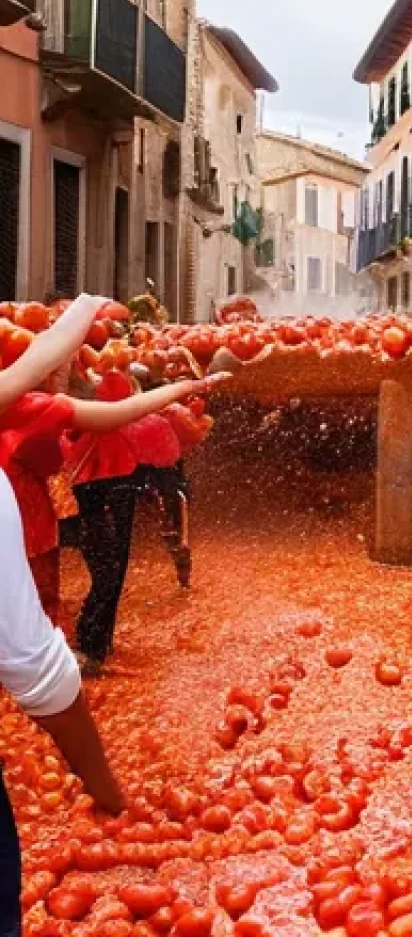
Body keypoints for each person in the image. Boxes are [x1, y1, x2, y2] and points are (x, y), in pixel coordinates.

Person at [0, 294, 125, 935]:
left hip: (41, 533)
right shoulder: (29, 420)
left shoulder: (28, 409)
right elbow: (30, 663)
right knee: (42, 618)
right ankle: (82, 644)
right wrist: (106, 789)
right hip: (29, 540)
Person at [66, 368, 229, 673]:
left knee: (105, 569)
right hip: (115, 497)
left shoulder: (78, 422)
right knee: (111, 570)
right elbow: (170, 463)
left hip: (90, 497)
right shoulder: (150, 425)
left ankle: (92, 645)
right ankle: (90, 648)